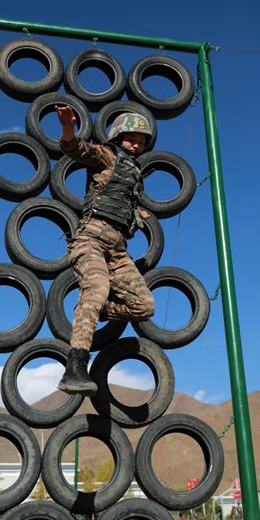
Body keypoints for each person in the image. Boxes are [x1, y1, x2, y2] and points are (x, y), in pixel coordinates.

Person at [55, 105, 155, 396]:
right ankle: (74, 368)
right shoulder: (106, 155)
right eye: (131, 137)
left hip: (118, 249)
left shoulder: (135, 174)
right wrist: (68, 128)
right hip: (91, 239)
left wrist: (136, 214)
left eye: (142, 139)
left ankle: (96, 309)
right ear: (118, 137)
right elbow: (76, 149)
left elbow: (118, 201)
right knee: (96, 290)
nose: (137, 143)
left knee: (145, 306)